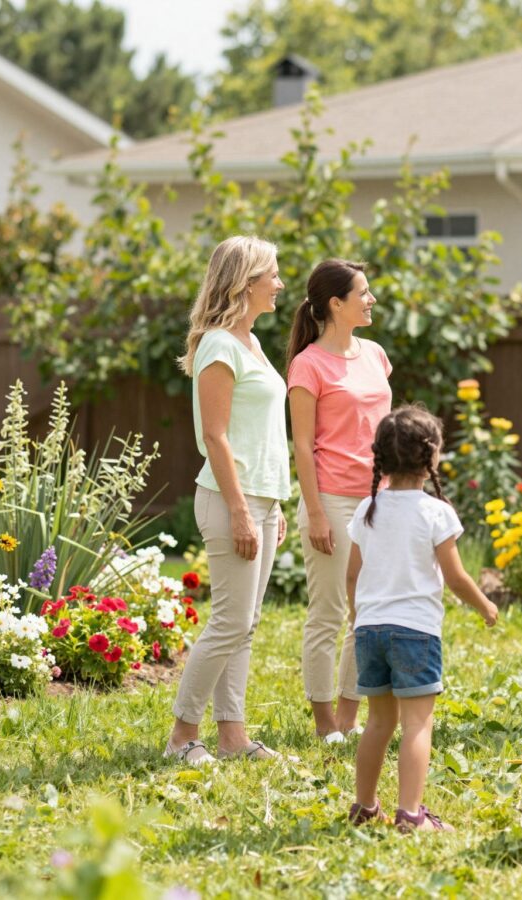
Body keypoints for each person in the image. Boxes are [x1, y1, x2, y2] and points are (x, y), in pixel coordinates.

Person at [166, 235, 291, 764]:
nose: (280, 284)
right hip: (228, 500)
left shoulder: (252, 343)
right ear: (246, 282)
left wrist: (275, 503)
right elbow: (215, 436)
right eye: (273, 275)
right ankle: (180, 738)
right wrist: (241, 509)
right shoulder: (218, 344)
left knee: (246, 621)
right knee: (228, 622)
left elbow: (258, 432)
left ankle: (233, 736)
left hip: (262, 499)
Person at [346, 406, 499, 831]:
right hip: (415, 633)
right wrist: (485, 605)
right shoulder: (435, 512)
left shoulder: (366, 510)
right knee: (417, 723)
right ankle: (411, 814)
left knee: (377, 721)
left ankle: (364, 805)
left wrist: (358, 616)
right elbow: (455, 576)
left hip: (370, 630)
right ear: (431, 458)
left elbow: (352, 575)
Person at [287, 260, 392, 744]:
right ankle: (324, 722)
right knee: (328, 611)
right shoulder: (307, 365)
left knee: (366, 612)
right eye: (363, 293)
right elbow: (302, 446)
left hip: (379, 500)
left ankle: (348, 721)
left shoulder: (376, 355)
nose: (371, 300)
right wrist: (313, 513)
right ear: (336, 303)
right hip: (330, 500)